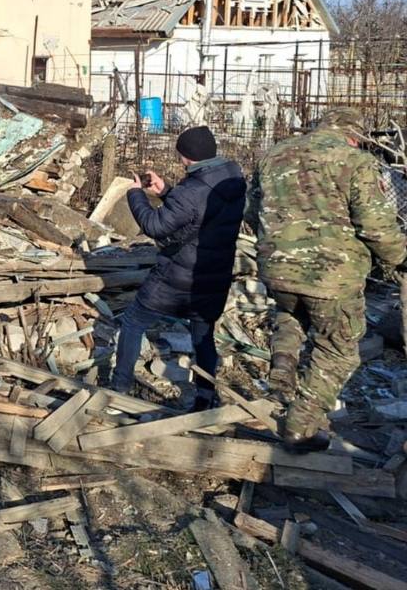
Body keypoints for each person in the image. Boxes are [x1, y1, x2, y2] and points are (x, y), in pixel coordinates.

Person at [250, 107, 406, 451]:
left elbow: (252, 211)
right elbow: (376, 226)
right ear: (354, 136)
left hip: (277, 267)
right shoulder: (356, 162)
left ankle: (282, 370)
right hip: (331, 276)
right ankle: (300, 425)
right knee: (339, 351)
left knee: (292, 315)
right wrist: (400, 258)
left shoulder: (274, 155)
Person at [111, 125, 246, 411]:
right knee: (203, 336)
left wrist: (136, 194)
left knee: (133, 321)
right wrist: (165, 192)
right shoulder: (231, 178)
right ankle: (205, 398)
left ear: (186, 156)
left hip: (178, 278)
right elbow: (198, 217)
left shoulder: (192, 191)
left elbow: (156, 227)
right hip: (214, 279)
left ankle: (119, 388)